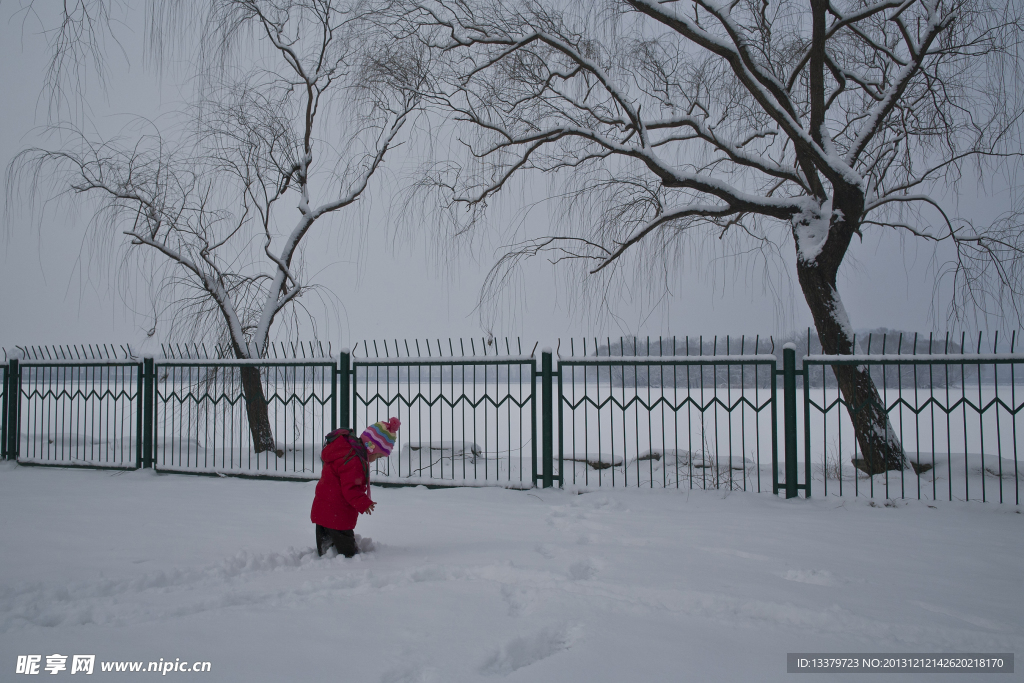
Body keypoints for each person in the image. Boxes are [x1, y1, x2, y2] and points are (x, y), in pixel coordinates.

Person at [310, 417, 400, 558]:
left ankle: (324, 563)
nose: (375, 460)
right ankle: (345, 571)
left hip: (324, 508)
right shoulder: (354, 461)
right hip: (337, 514)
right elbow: (350, 488)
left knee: (326, 550)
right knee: (348, 555)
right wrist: (363, 502)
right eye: (378, 456)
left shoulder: (347, 451)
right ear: (372, 448)